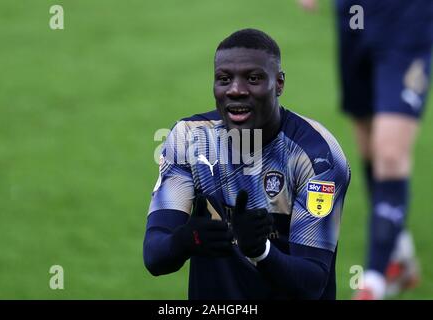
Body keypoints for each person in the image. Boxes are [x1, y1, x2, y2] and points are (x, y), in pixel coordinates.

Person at [143, 28, 351, 300]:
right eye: (224, 79)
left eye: (253, 79)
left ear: (279, 84)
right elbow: (155, 256)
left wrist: (260, 251)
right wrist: (186, 240)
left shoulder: (316, 155)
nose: (236, 90)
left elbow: (311, 283)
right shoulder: (190, 139)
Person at [298, 0, 433, 299]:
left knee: (390, 154)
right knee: (369, 143)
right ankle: (399, 252)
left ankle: (374, 281)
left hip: (408, 20)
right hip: (355, 17)